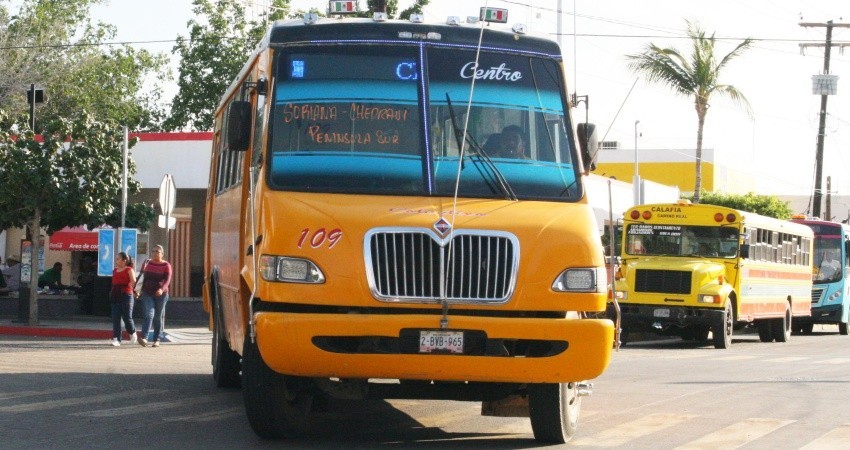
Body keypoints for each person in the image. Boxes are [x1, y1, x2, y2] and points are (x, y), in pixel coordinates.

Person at [137, 245, 172, 347]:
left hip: (161, 294)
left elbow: (167, 280)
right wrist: (137, 290)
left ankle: (157, 339)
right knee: (149, 314)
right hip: (147, 293)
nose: (155, 253)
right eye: (153, 251)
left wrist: (162, 289)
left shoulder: (166, 265)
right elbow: (141, 277)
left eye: (158, 251)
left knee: (157, 317)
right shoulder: (147, 263)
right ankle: (144, 337)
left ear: (162, 254)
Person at [110, 252, 138, 347]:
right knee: (116, 318)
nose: (116, 260)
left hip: (127, 295)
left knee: (127, 317)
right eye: (116, 258)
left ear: (124, 261)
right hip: (116, 295)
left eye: (118, 259)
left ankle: (132, 332)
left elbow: (134, 282)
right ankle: (117, 339)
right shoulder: (114, 270)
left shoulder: (129, 270)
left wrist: (136, 292)